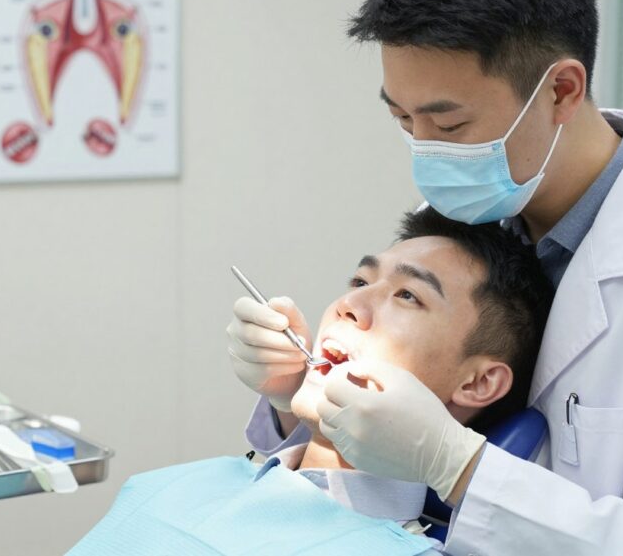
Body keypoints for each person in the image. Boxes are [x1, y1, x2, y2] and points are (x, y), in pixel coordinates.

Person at [227, 0, 623, 554]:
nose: (426, 151)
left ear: (561, 90)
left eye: (450, 125)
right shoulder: (465, 205)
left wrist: (457, 466)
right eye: (403, 120)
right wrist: (295, 404)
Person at [70, 209, 552, 555]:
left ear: (478, 383)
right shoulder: (170, 484)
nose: (349, 306)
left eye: (407, 295)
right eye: (361, 282)